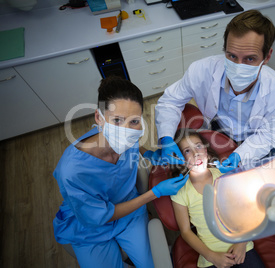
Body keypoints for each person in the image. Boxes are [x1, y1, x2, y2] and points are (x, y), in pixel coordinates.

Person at [52, 76, 188, 268]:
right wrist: (155, 193)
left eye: (134, 121)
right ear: (99, 118)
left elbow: (132, 143)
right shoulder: (72, 171)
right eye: (117, 120)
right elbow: (103, 215)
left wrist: (149, 153)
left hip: (129, 212)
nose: (127, 130)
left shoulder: (128, 137)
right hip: (91, 228)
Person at [154, 10, 275, 173]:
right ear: (224, 49)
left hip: (253, 139)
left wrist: (240, 155)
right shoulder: (201, 70)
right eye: (232, 56)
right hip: (216, 128)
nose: (238, 66)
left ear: (267, 57)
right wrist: (166, 138)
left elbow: (268, 136)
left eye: (250, 59)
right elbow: (170, 101)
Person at [170, 128, 265, 268]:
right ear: (181, 160)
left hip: (242, 247)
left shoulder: (224, 176)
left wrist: (242, 243)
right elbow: (185, 231)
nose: (196, 154)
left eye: (198, 146)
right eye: (187, 151)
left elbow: (246, 209)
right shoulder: (180, 191)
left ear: (206, 151)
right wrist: (211, 256)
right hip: (212, 259)